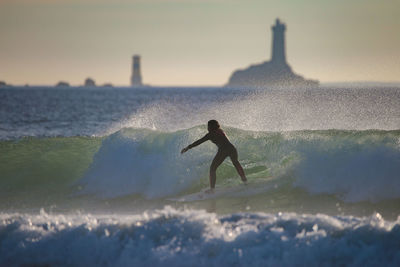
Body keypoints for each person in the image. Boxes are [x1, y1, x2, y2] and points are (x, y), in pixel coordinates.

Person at [181, 120, 247, 192]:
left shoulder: (210, 134)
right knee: (236, 163)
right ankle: (245, 181)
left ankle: (212, 189)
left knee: (212, 169)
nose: (207, 128)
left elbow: (199, 142)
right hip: (232, 148)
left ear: (210, 127)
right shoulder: (220, 131)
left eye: (208, 126)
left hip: (223, 150)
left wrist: (188, 147)